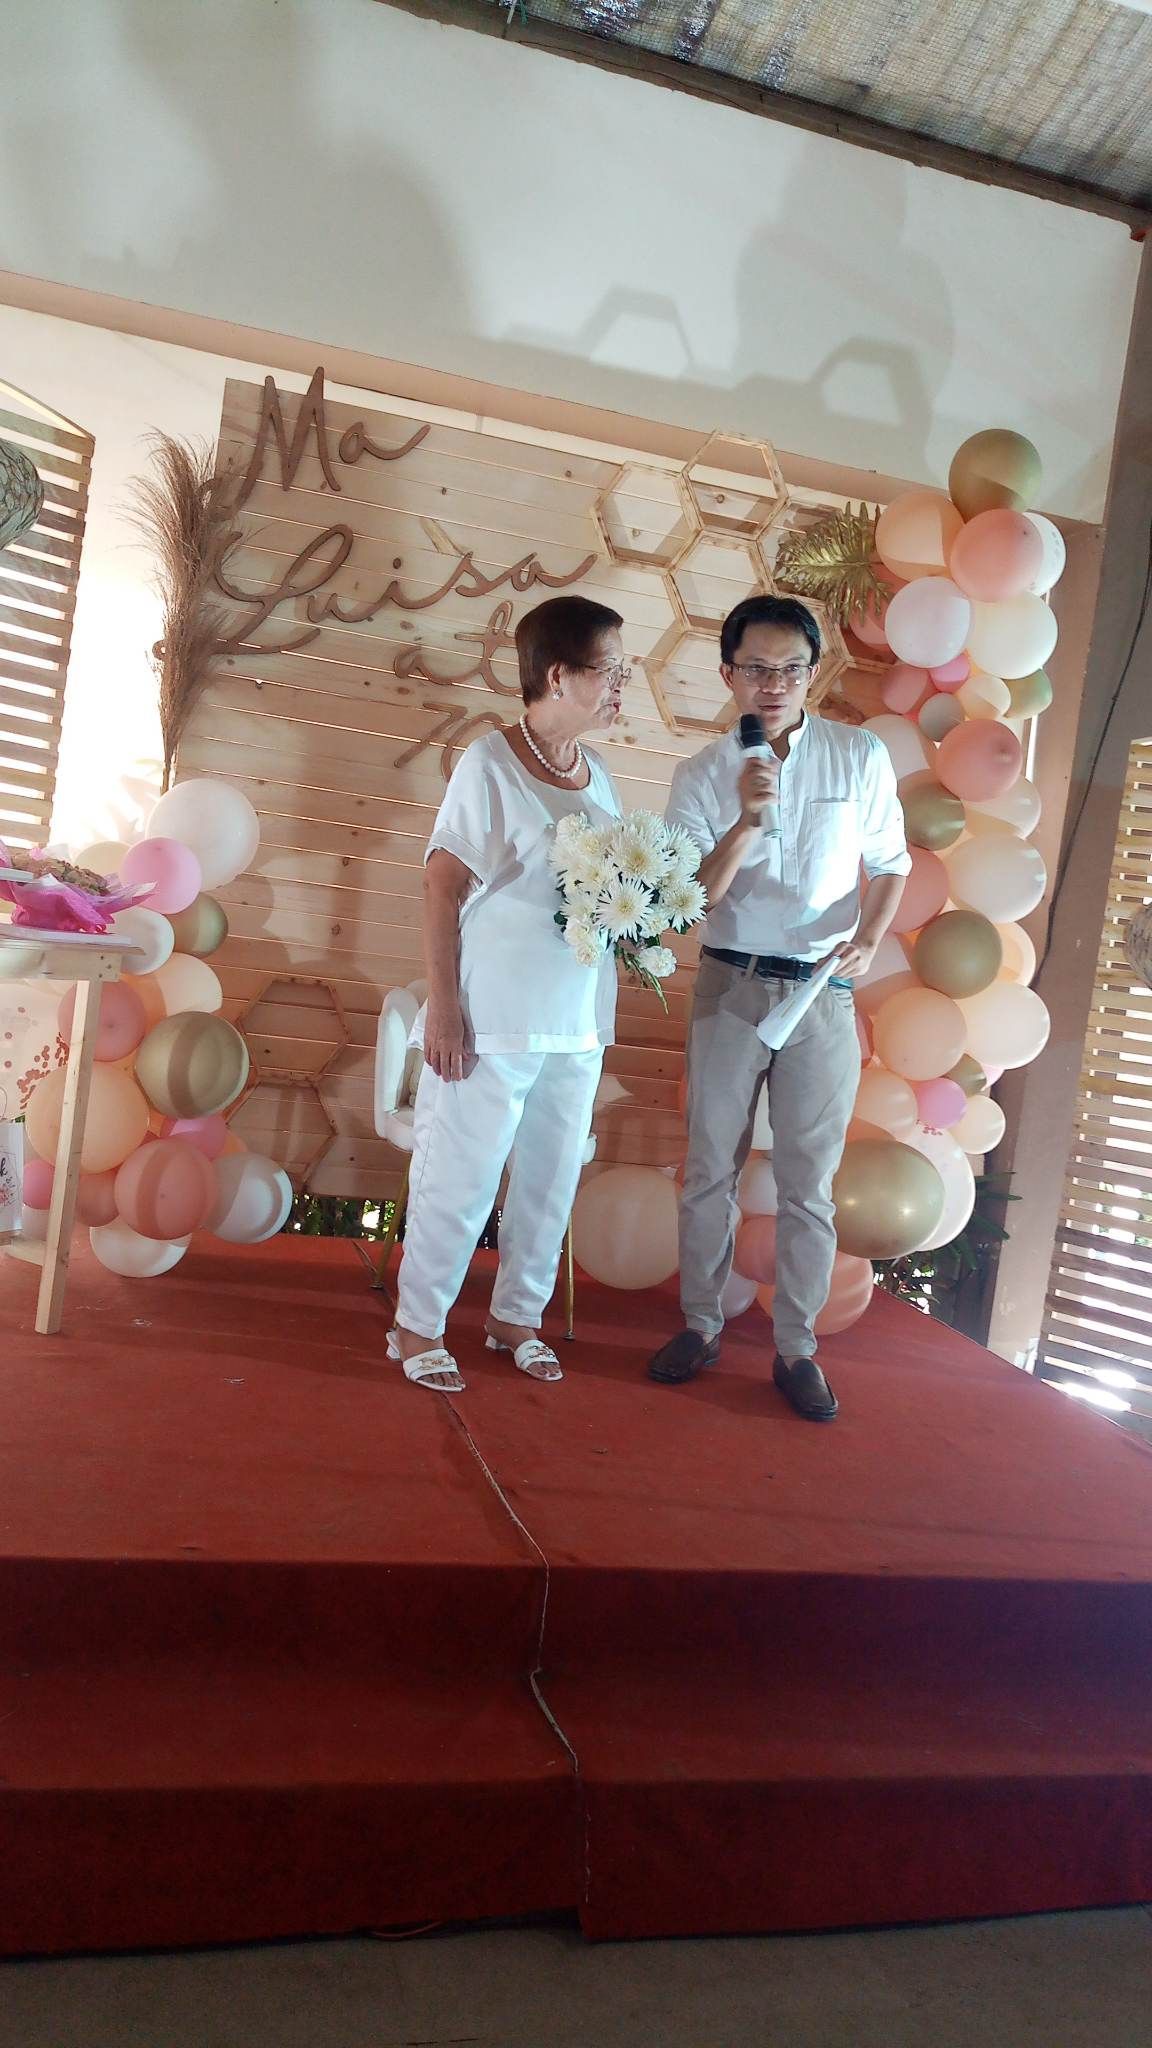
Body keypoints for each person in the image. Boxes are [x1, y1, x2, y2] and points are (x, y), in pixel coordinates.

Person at [648, 594, 910, 1420]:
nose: (774, 684)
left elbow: (892, 863)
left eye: (790, 668)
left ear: (812, 673)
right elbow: (687, 901)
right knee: (709, 1169)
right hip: (729, 980)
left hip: (821, 990)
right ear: (728, 674)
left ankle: (797, 1349)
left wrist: (870, 936)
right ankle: (698, 1325)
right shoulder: (699, 775)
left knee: (809, 1182)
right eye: (755, 669)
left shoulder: (858, 755)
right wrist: (749, 823)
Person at [391, 594, 627, 1393]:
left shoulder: (600, 778)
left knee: (551, 1178)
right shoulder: (489, 764)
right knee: (461, 1175)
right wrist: (445, 1008)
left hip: (575, 1021)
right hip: (493, 1017)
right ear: (557, 675)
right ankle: (416, 1325)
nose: (621, 685)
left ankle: (514, 1316)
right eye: (610, 670)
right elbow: (440, 885)